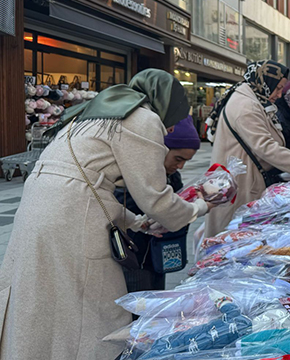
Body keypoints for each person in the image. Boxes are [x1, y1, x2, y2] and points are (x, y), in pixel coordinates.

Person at [0, 69, 214, 360]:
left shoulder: (93, 113)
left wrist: (136, 222)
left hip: (41, 205)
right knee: (94, 306)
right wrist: (198, 208)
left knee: (42, 296)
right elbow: (155, 199)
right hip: (71, 217)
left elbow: (89, 183)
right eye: (174, 120)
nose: (171, 128)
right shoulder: (143, 118)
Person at [204, 61, 290, 239]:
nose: (279, 95)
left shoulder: (253, 101)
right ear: (264, 83)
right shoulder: (245, 106)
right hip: (239, 184)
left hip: (244, 179)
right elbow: (266, 147)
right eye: (277, 88)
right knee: (230, 240)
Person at [115, 116, 201, 293]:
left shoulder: (172, 176)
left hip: (158, 255)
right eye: (178, 159)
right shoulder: (134, 175)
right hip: (133, 258)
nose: (181, 166)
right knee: (139, 304)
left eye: (186, 161)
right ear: (160, 149)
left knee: (156, 296)